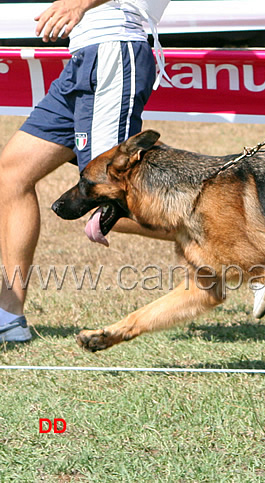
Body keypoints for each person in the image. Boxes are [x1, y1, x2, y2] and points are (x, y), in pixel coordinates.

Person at [0, 0, 170, 342]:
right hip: (84, 53)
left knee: (110, 202)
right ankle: (9, 316)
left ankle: (240, 248)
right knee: (12, 173)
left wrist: (80, 3)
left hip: (114, 47)